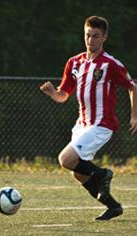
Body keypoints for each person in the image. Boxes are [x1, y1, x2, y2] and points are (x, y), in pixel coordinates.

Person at [40, 16, 137, 220]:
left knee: (65, 159)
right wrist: (52, 93)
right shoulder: (74, 62)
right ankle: (113, 206)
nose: (90, 40)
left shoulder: (110, 64)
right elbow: (63, 95)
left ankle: (103, 174)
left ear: (104, 38)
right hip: (82, 125)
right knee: (79, 172)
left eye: (95, 36)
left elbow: (133, 87)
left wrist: (134, 115)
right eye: (87, 35)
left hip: (102, 124)